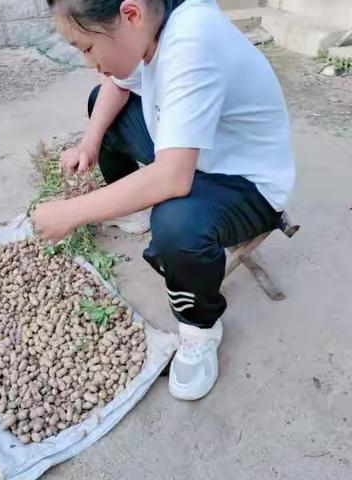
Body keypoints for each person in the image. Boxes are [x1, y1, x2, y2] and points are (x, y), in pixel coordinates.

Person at [31, 0, 295, 400]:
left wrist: (69, 213)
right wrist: (89, 143)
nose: (89, 61)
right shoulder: (152, 24)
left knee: (175, 223)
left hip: (245, 182)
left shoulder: (192, 39)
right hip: (194, 154)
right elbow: (117, 83)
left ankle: (199, 328)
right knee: (102, 108)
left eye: (86, 47)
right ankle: (134, 212)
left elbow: (173, 177)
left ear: (131, 14)